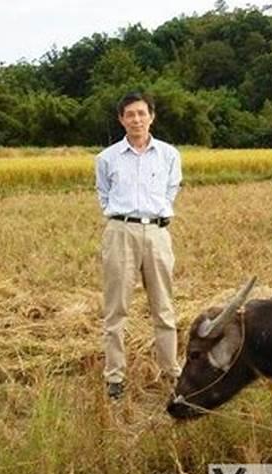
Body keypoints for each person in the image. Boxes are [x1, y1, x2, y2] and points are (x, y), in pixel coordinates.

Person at [94, 92, 182, 400]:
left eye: (141, 113)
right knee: (116, 310)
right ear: (121, 119)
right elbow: (103, 194)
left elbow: (171, 189)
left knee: (164, 308)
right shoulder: (107, 158)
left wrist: (155, 216)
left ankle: (172, 374)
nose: (136, 119)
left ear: (152, 116)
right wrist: (124, 219)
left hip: (157, 233)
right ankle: (115, 378)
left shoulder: (169, 155)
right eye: (129, 114)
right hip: (120, 231)